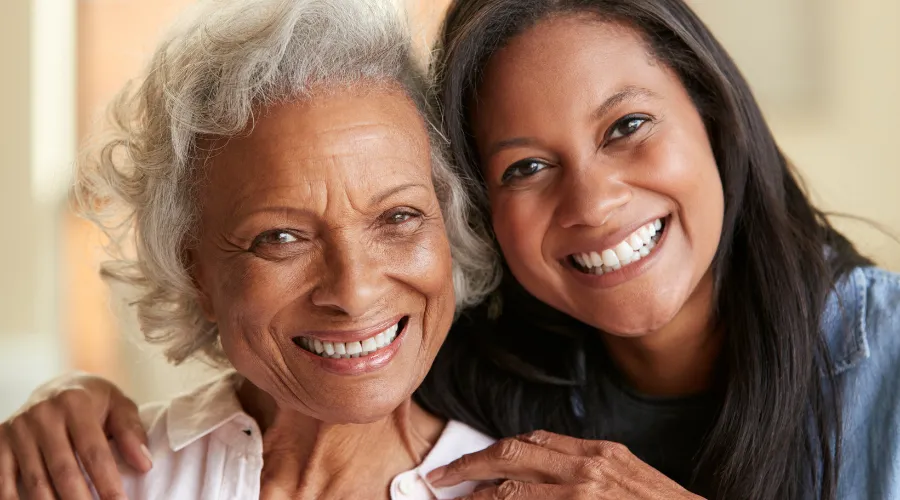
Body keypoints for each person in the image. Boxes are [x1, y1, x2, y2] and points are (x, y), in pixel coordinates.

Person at [3, 0, 900, 499]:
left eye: (628, 126)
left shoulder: (882, 359)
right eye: (526, 167)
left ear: (714, 112)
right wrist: (58, 398)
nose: (356, 292)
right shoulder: (486, 379)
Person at [0, 0, 507, 498]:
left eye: (399, 217)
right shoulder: (84, 479)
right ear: (194, 272)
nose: (354, 291)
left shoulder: (523, 491)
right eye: (280, 238)